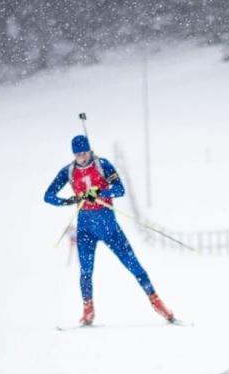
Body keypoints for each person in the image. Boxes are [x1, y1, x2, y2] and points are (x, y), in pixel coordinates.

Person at [44, 135, 174, 325]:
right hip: (85, 229)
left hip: (109, 228)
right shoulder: (68, 171)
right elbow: (48, 196)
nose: (81, 157)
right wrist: (69, 200)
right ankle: (88, 309)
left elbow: (119, 189)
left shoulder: (102, 165)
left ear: (90, 150)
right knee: (86, 271)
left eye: (84, 152)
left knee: (134, 265)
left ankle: (157, 302)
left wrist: (100, 192)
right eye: (77, 154)